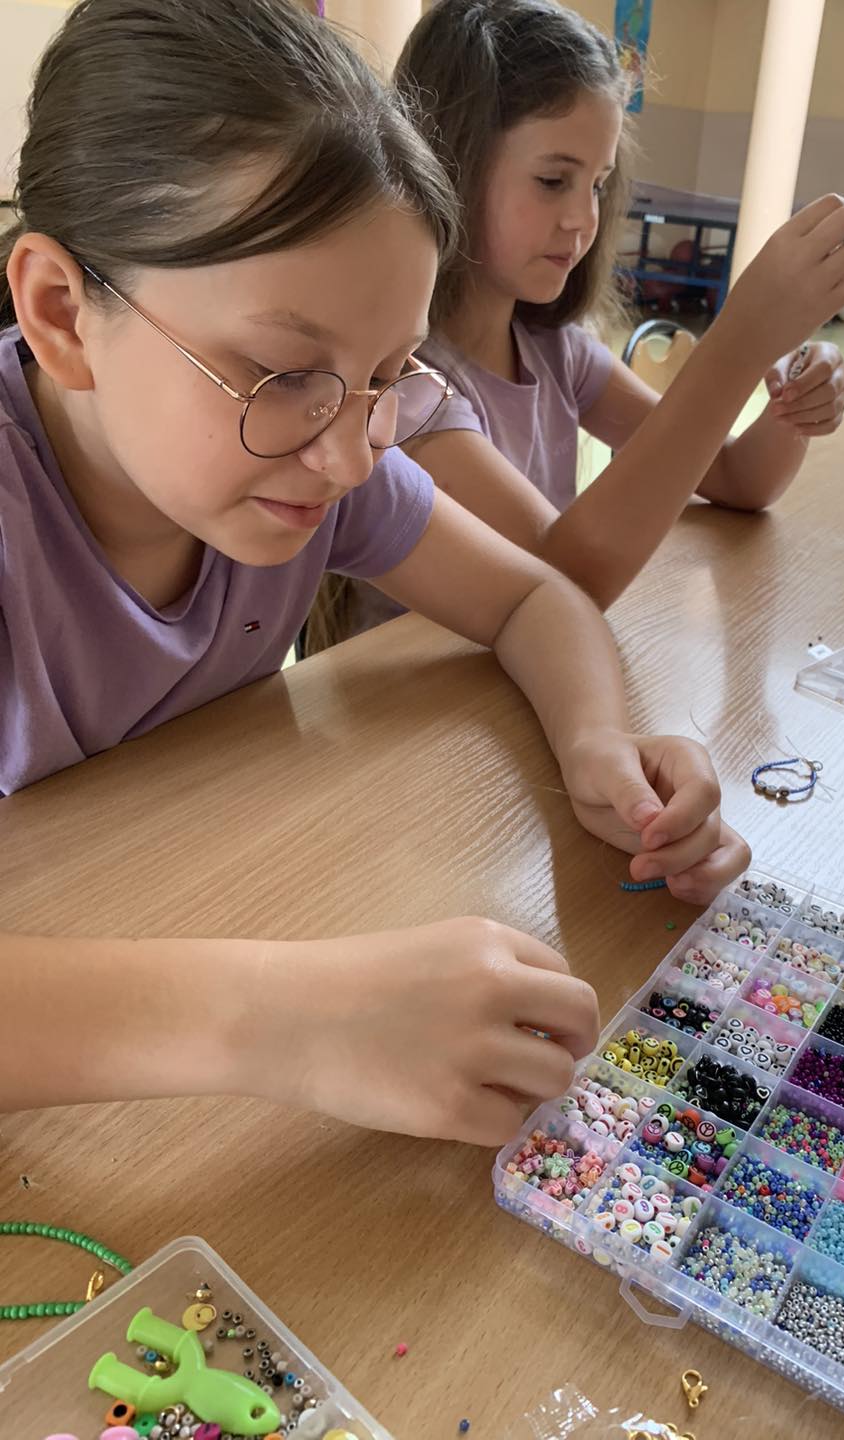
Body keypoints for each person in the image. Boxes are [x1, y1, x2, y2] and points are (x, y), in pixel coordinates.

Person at [0, 0, 750, 1144]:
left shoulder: (325, 460)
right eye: (286, 370)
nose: (353, 454)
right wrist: (287, 1021)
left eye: (390, 375)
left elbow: (533, 595)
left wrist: (596, 742)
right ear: (62, 314)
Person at [301, 0, 844, 649]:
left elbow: (740, 479)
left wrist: (795, 401)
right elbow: (563, 577)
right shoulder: (402, 386)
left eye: (597, 185)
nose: (583, 218)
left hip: (522, 682)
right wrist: (742, 340)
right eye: (553, 180)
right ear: (451, 165)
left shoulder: (557, 352)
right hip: (410, 699)